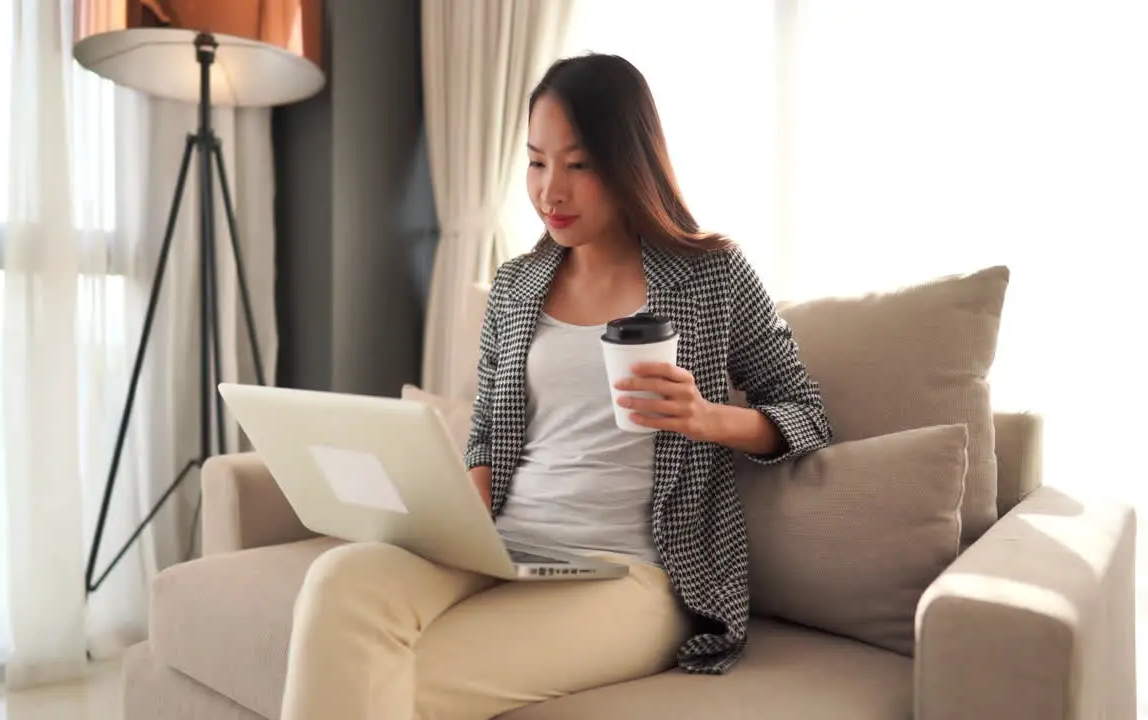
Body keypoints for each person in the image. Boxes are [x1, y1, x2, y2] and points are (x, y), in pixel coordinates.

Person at [279, 53, 833, 720]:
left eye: (579, 164)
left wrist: (708, 418)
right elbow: (486, 434)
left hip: (634, 573)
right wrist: (458, 513)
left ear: (630, 162)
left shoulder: (712, 274)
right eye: (537, 162)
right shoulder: (515, 287)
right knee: (340, 578)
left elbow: (806, 412)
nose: (551, 191)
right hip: (505, 547)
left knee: (390, 679)